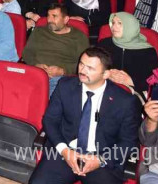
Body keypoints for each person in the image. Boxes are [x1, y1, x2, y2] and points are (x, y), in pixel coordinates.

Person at [29, 47, 141, 184]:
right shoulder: (65, 86)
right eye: (81, 64)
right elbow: (50, 120)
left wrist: (100, 160)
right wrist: (64, 150)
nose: (82, 70)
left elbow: (128, 141)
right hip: (65, 152)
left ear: (105, 74)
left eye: (90, 68)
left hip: (102, 159)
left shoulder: (124, 101)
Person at [21, 4, 90, 95]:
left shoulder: (78, 37)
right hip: (35, 73)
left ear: (65, 19)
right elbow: (27, 53)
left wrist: (63, 70)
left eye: (54, 16)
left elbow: (85, 64)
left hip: (60, 78)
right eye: (48, 16)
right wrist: (35, 64)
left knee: (47, 98)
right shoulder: (39, 31)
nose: (50, 20)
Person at [97, 13, 158, 94]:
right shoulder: (104, 44)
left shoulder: (148, 51)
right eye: (113, 23)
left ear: (130, 26)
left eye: (119, 23)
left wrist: (131, 81)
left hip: (135, 92)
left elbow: (154, 81)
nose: (114, 27)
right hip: (104, 87)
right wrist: (106, 74)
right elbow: (93, 67)